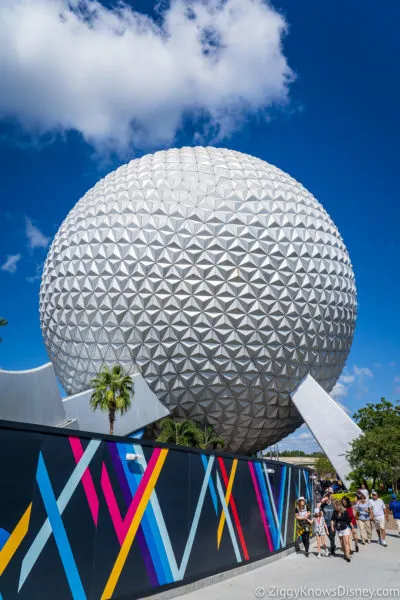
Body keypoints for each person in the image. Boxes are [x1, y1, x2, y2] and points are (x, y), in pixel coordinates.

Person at [320, 490, 336, 555]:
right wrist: (323, 500)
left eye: (327, 499)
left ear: (329, 499)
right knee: (329, 536)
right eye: (325, 500)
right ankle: (333, 545)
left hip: (332, 522)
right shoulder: (323, 505)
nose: (326, 501)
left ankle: (332, 549)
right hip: (326, 523)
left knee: (332, 536)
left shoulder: (333, 505)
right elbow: (319, 506)